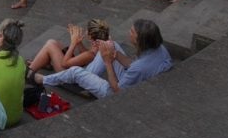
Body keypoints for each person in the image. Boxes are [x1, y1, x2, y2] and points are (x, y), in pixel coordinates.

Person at [35, 19, 172, 98]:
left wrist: (108, 62)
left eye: (132, 32)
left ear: (140, 39)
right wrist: (113, 53)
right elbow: (132, 64)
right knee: (112, 45)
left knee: (76, 71)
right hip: (137, 79)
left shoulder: (139, 68)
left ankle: (44, 79)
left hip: (114, 93)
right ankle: (84, 79)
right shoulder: (160, 49)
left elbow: (117, 90)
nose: (128, 33)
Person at [26, 19, 110, 79]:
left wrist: (73, 43)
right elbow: (85, 56)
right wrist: (78, 42)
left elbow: (64, 64)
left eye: (87, 30)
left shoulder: (90, 54)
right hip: (78, 69)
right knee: (55, 43)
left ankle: (29, 72)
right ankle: (44, 62)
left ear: (90, 36)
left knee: (50, 44)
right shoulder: (98, 47)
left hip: (67, 75)